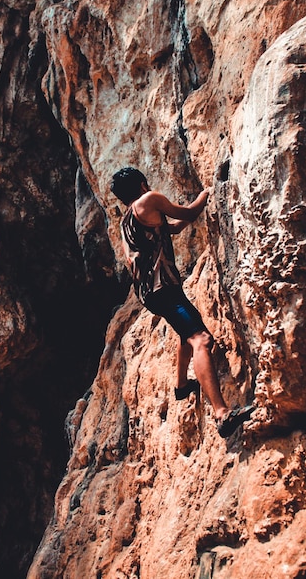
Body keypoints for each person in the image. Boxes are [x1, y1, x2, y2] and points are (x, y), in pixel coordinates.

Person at [110, 167, 254, 438]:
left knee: (184, 331)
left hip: (149, 292)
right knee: (201, 339)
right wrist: (206, 194)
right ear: (143, 183)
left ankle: (181, 385)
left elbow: (171, 227)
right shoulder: (149, 199)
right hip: (164, 287)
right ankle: (222, 414)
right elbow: (186, 213)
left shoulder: (127, 220)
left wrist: (190, 213)